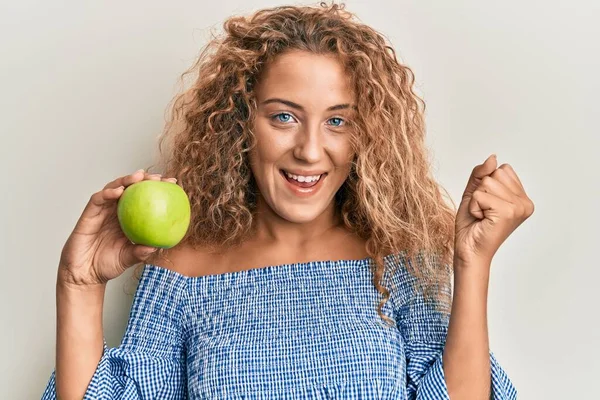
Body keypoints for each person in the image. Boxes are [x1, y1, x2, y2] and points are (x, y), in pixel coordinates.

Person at [42, 2, 534, 399]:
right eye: (284, 117)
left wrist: (472, 264)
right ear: (242, 122)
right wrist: (79, 284)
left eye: (337, 121)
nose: (311, 150)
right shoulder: (182, 271)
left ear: (367, 135)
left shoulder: (399, 262)